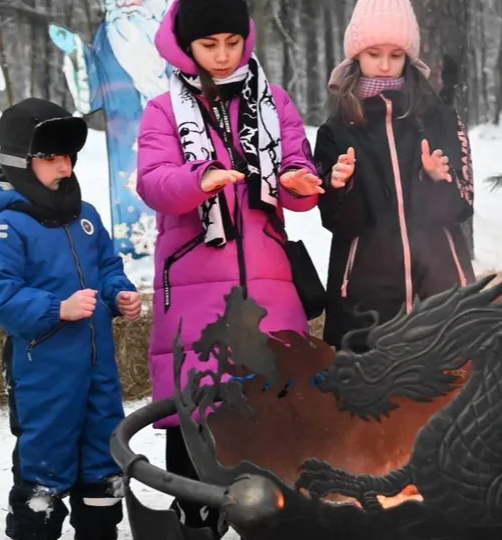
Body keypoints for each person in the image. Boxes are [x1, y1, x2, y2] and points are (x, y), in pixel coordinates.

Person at [135, 0, 323, 534]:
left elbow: (295, 167)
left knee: (276, 416)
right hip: (197, 292)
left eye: (232, 43)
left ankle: (276, 521)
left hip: (269, 284)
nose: (222, 56)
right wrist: (200, 180)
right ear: (186, 46)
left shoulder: (274, 100)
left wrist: (300, 184)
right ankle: (197, 521)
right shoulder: (163, 110)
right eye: (208, 45)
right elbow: (155, 182)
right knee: (194, 417)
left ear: (247, 38)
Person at [0, 97, 142, 540]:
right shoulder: (9, 227)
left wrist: (118, 292)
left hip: (99, 373)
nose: (64, 167)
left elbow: (107, 265)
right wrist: (56, 309)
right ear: (20, 162)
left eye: (68, 156)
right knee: (43, 474)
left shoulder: (86, 217)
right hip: (44, 376)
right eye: (50, 158)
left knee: (105, 469)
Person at [314, 0, 475, 351]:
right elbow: (339, 223)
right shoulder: (336, 131)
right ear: (356, 56)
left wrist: (437, 180)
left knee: (450, 399)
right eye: (374, 53)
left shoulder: (441, 119)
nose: (385, 66)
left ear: (409, 58)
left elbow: (461, 207)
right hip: (363, 304)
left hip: (442, 294)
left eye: (396, 55)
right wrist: (342, 187)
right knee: (367, 402)